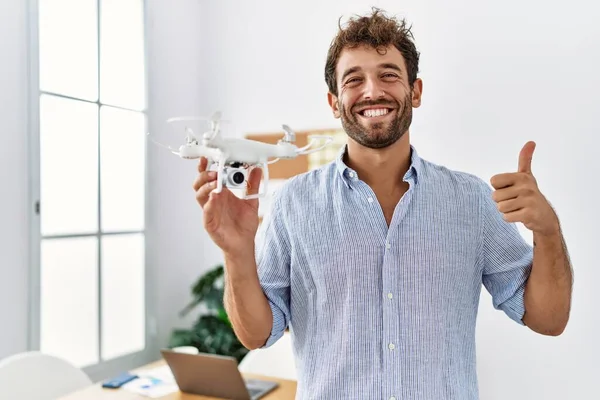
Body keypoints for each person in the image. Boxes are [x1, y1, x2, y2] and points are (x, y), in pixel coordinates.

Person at [192, 8, 573, 400]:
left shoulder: (471, 200)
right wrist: (237, 252)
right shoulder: (294, 203)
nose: (372, 91)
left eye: (389, 74)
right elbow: (256, 335)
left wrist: (547, 230)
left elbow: (548, 319)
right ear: (335, 102)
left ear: (416, 91)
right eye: (354, 79)